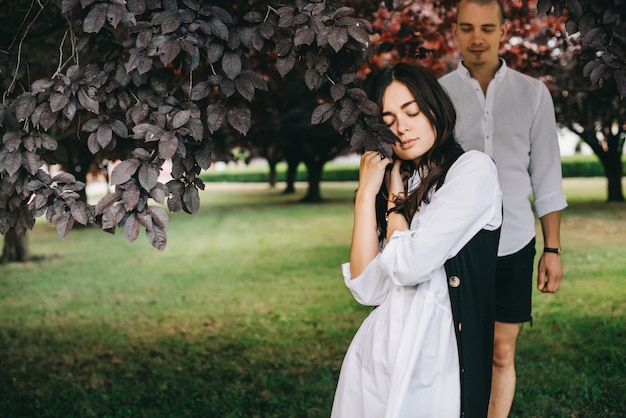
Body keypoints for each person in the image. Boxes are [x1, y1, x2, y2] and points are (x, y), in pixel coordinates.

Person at [331, 62, 503, 418]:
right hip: (380, 352)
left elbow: (408, 266)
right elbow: (368, 288)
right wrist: (367, 194)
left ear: (434, 108)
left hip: (435, 356)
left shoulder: (472, 171)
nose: (402, 127)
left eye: (412, 111)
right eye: (389, 120)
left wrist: (394, 206)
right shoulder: (402, 183)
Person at [439, 1, 568, 416]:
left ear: (502, 31)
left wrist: (552, 250)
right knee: (452, 350)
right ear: (455, 31)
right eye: (468, 27)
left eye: (487, 28)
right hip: (454, 245)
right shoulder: (438, 94)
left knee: (501, 352)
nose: (477, 38)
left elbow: (547, 178)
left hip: (514, 242)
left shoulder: (533, 94)